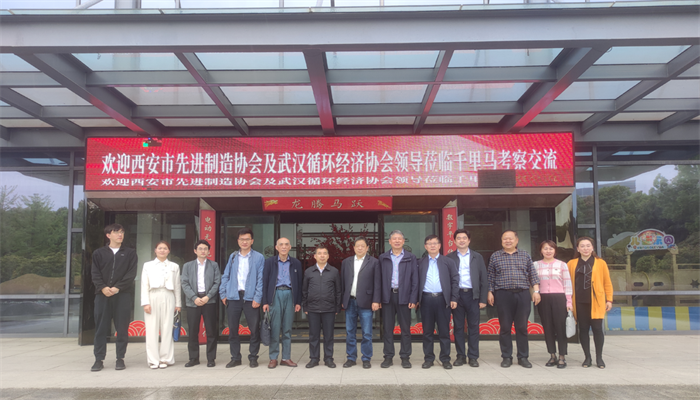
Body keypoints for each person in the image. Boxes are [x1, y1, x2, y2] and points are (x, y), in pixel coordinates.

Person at [487, 230, 541, 368]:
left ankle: (523, 357)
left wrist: (536, 291)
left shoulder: (525, 255)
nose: (508, 241)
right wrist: (490, 292)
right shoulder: (495, 256)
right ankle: (506, 357)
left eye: (510, 238)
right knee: (505, 327)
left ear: (516, 240)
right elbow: (490, 277)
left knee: (522, 327)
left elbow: (533, 275)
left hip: (522, 294)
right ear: (501, 241)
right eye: (505, 239)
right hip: (503, 295)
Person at [90, 223, 138, 372]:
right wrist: (103, 287)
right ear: (108, 235)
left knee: (122, 328)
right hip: (102, 295)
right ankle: (99, 359)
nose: (120, 235)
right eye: (116, 232)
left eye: (122, 232)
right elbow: (94, 273)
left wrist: (118, 287)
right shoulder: (99, 253)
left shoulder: (130, 253)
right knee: (101, 328)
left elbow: (131, 274)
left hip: (122, 295)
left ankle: (120, 358)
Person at [220, 228, 265, 368]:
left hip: (251, 298)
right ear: (238, 241)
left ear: (252, 241)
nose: (244, 242)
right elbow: (226, 275)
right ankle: (235, 358)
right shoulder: (233, 256)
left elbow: (261, 279)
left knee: (254, 329)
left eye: (247, 239)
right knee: (233, 329)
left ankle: (253, 357)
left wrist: (258, 297)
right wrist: (223, 293)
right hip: (234, 296)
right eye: (242, 239)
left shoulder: (258, 257)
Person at [567, 236, 613, 369]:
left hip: (596, 301)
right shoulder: (571, 263)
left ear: (592, 248)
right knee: (583, 329)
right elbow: (567, 283)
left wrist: (609, 299)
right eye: (582, 246)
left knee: (597, 329)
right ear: (578, 249)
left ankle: (599, 358)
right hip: (579, 301)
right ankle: (587, 357)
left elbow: (607, 282)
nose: (585, 248)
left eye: (588, 246)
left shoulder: (600, 263)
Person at [446, 229, 488, 368]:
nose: (462, 240)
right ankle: (460, 356)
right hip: (456, 296)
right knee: (458, 327)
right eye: (459, 238)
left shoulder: (477, 257)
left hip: (473, 295)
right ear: (454, 241)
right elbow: (446, 279)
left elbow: (483, 278)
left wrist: (483, 299)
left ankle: (473, 356)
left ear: (469, 240)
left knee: (473, 327)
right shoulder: (449, 257)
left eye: (464, 238)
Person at [417, 235, 459, 369]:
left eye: (435, 243)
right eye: (429, 243)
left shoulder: (448, 262)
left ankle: (445, 359)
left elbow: (455, 280)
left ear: (440, 246)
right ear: (425, 246)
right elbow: (415, 282)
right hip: (426, 299)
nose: (432, 246)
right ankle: (428, 358)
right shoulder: (420, 262)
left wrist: (454, 298)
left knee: (444, 331)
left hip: (443, 299)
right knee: (427, 331)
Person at [378, 230, 419, 369]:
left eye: (399, 239)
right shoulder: (383, 258)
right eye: (394, 239)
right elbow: (378, 280)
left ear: (403, 241)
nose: (396, 241)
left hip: (405, 296)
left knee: (405, 329)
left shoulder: (410, 257)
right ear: (389, 241)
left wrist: (413, 298)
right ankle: (388, 357)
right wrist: (378, 298)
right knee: (387, 328)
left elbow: (415, 280)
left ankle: (405, 357)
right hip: (387, 296)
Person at [262, 237, 303, 369]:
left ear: (290, 247)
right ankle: (273, 357)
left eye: (286, 244)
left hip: (290, 295)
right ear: (276, 247)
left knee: (287, 328)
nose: (284, 247)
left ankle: (286, 357)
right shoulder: (270, 262)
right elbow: (265, 282)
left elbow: (300, 283)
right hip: (275, 295)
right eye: (281, 244)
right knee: (275, 328)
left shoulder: (296, 263)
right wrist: (265, 301)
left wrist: (298, 301)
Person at [340, 237, 381, 369]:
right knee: (350, 331)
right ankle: (351, 358)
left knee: (367, 333)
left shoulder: (374, 262)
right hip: (350, 301)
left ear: (367, 248)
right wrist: (342, 299)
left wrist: (376, 300)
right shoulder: (346, 262)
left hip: (367, 302)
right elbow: (342, 282)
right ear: (353, 248)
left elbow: (377, 283)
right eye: (357, 245)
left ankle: (366, 358)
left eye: (363, 246)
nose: (360, 248)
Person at [141, 241, 182, 369]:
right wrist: (145, 302)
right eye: (160, 248)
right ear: (155, 250)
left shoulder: (174, 266)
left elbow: (177, 286)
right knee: (151, 329)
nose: (162, 250)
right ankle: (153, 360)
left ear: (169, 251)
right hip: (152, 295)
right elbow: (144, 285)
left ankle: (166, 359)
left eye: (165, 248)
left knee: (167, 328)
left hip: (168, 295)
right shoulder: (148, 265)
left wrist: (178, 304)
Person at [181, 239, 221, 368]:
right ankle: (193, 358)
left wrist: (208, 296)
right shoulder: (187, 266)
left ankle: (211, 358)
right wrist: (194, 297)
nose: (203, 251)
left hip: (209, 300)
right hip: (193, 301)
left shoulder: (214, 265)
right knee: (193, 331)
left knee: (211, 331)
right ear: (195, 251)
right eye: (200, 249)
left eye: (205, 249)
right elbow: (184, 283)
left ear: (209, 251)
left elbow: (217, 282)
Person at [534, 240, 572, 369]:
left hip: (559, 298)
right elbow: (533, 282)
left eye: (551, 248)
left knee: (560, 327)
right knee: (548, 327)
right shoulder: (535, 265)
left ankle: (562, 356)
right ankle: (552, 355)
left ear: (555, 251)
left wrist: (569, 301)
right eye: (545, 248)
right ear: (541, 251)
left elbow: (567, 284)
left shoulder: (562, 265)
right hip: (543, 298)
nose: (548, 251)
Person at [302, 246, 342, 368]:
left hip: (329, 308)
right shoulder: (309, 271)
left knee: (328, 335)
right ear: (315, 256)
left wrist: (337, 307)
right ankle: (314, 359)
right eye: (319, 253)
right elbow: (304, 291)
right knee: (313, 335)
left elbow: (338, 291)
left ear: (328, 256)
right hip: (313, 308)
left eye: (325, 253)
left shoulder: (334, 271)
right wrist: (305, 307)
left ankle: (328, 358)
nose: (322, 255)